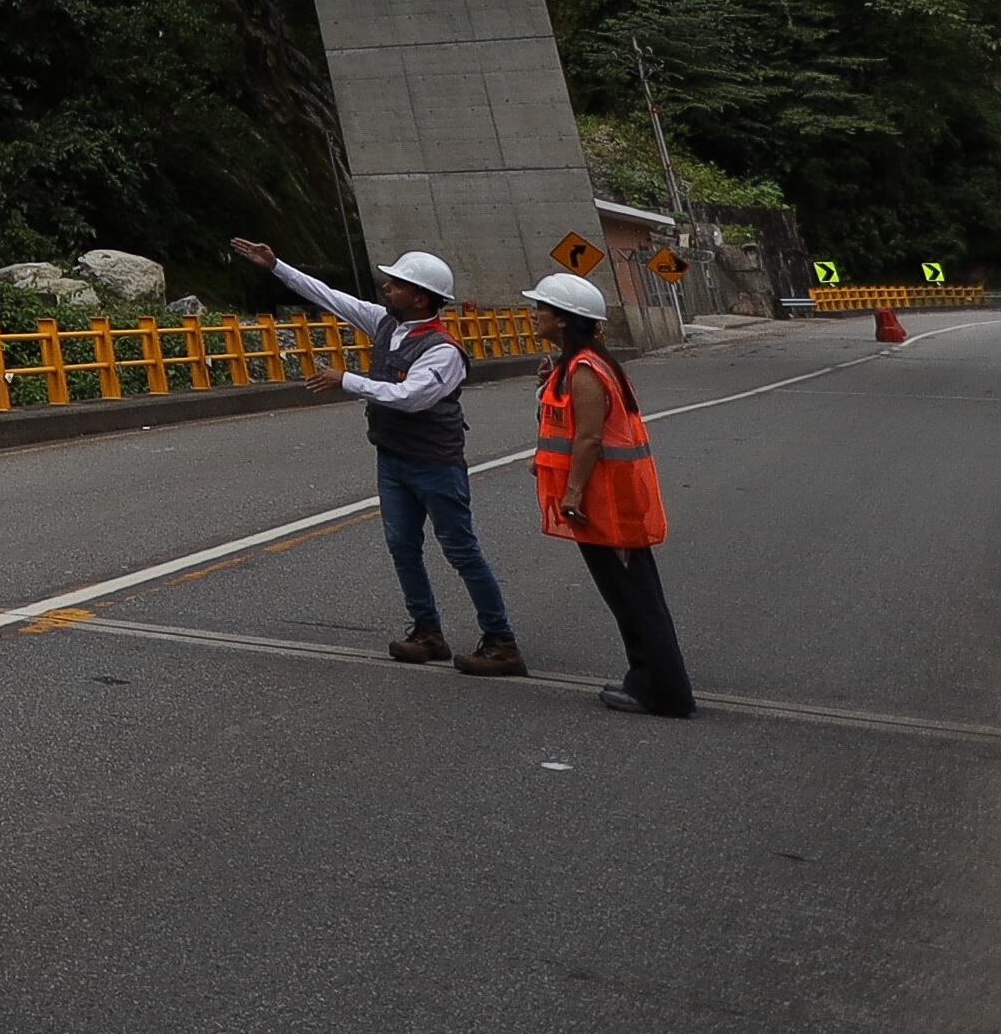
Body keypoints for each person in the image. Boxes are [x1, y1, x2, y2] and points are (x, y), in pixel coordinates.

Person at [228, 236, 524, 675]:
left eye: (396, 284)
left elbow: (409, 397)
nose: (386, 288)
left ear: (420, 297)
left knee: (460, 550)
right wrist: (276, 266)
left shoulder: (443, 351)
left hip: (435, 464)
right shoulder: (386, 322)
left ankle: (501, 640)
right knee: (402, 547)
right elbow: (329, 297)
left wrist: (346, 379)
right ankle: (427, 631)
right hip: (393, 458)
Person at [525, 270, 691, 717]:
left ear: (563, 319)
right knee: (631, 597)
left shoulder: (585, 370)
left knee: (636, 600)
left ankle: (663, 691)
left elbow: (589, 439)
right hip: (609, 501)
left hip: (609, 504)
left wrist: (573, 494)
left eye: (542, 307)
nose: (535, 313)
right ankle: (649, 683)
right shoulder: (577, 365)